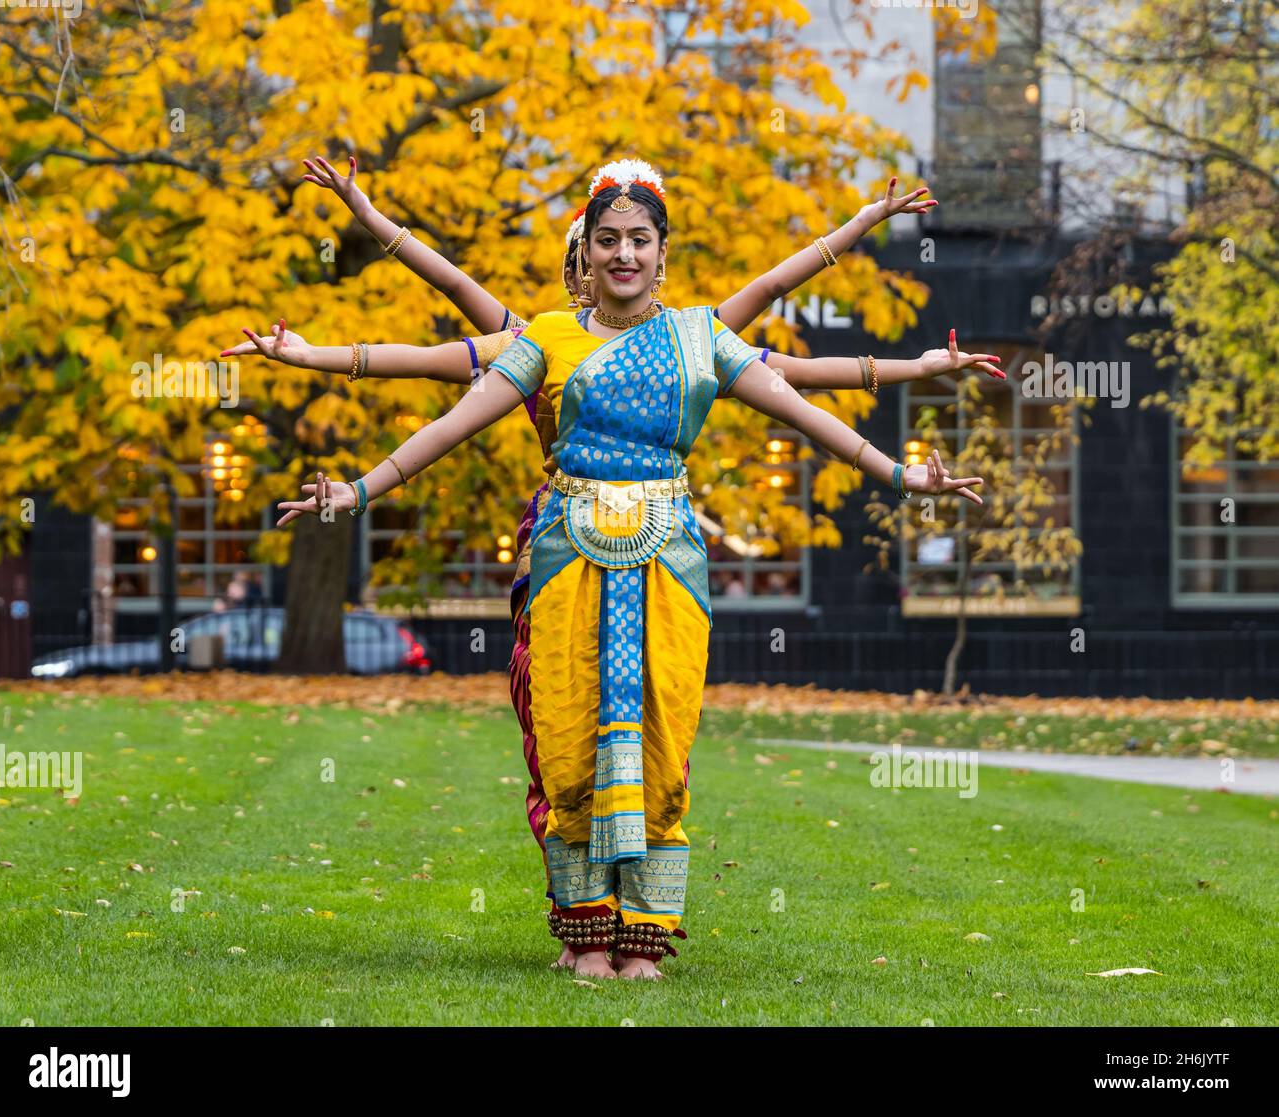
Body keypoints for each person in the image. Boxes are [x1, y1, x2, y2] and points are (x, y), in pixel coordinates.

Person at [223, 159, 1001, 970]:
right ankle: (588, 937)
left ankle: (645, 941)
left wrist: (906, 472)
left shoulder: (700, 337)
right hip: (566, 552)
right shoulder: (545, 340)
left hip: (667, 557)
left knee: (662, 740)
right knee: (566, 736)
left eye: (639, 239)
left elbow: (804, 402)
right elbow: (453, 405)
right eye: (607, 240)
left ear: (663, 253)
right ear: (585, 254)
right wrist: (356, 485)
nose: (623, 253)